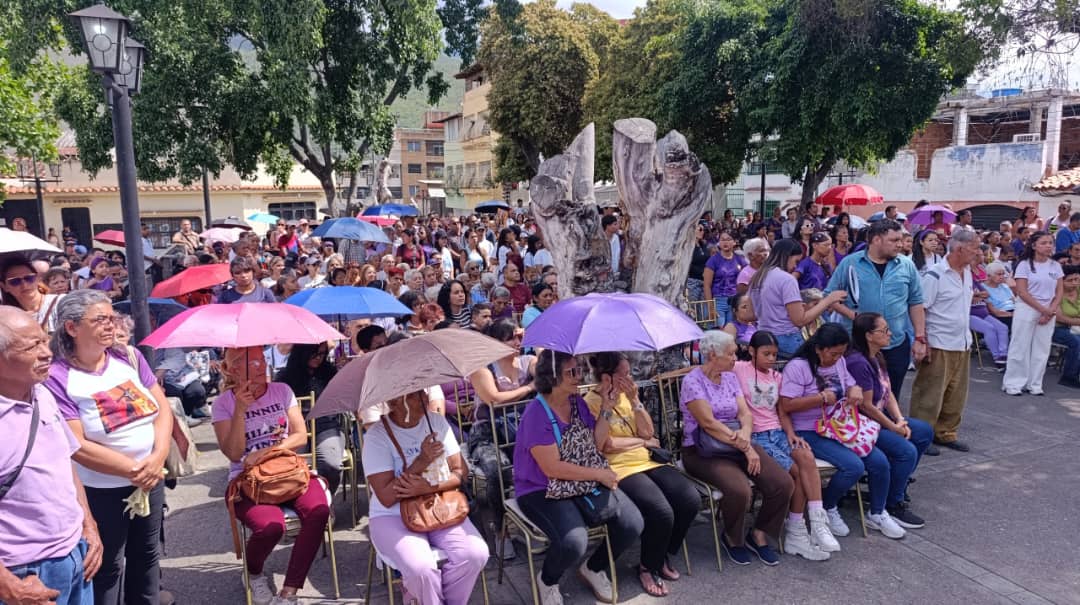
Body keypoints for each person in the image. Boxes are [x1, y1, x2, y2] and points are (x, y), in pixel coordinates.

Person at [43, 290, 174, 604]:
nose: (110, 325)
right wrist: (135, 470)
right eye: (99, 319)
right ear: (72, 328)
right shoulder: (58, 376)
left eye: (111, 318)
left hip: (150, 480)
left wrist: (156, 460)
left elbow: (163, 410)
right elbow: (77, 445)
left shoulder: (128, 357)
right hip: (103, 490)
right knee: (106, 565)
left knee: (147, 556)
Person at [513, 350, 643, 604]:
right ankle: (548, 580)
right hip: (540, 487)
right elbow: (552, 468)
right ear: (552, 377)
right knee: (573, 541)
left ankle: (594, 568)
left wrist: (607, 408)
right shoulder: (535, 414)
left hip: (579, 477)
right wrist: (600, 474)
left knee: (632, 523)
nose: (579, 376)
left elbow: (595, 443)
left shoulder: (577, 403)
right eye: (571, 372)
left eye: (579, 370)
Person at [0, 307, 103, 605]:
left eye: (45, 341)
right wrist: (7, 584)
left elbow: (64, 463)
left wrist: (88, 525)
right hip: (23, 573)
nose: (47, 353)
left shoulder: (42, 393)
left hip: (75, 554)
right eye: (32, 346)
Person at [211, 346, 329, 605]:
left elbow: (300, 435)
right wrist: (240, 410)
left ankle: (289, 592)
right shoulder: (223, 404)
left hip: (287, 469)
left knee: (319, 509)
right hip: (248, 479)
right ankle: (253, 574)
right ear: (232, 369)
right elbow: (233, 453)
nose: (262, 366)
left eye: (262, 360)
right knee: (270, 527)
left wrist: (267, 452)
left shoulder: (281, 391)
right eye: (252, 363)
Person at [780, 324, 915, 539]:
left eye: (841, 354)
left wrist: (855, 389)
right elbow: (786, 405)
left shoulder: (840, 362)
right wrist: (820, 398)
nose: (837, 358)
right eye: (833, 354)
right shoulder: (798, 367)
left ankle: (877, 513)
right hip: (809, 429)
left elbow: (851, 384)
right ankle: (828, 506)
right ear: (818, 349)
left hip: (840, 424)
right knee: (853, 466)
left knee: (880, 462)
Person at [362, 384, 489, 605]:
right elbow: (386, 496)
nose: (424, 398)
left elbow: (461, 473)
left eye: (423, 391)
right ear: (393, 402)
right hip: (391, 515)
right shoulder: (377, 437)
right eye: (413, 395)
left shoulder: (436, 422)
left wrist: (427, 487)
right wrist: (421, 461)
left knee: (475, 554)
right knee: (421, 568)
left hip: (440, 506)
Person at [584, 352, 700, 595]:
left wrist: (635, 401)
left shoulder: (628, 396)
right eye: (624, 374)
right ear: (607, 377)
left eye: (629, 373)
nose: (630, 378)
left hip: (646, 460)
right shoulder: (590, 402)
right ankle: (648, 567)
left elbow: (647, 432)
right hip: (619, 466)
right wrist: (640, 441)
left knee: (689, 499)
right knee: (660, 510)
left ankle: (663, 554)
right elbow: (604, 445)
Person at [679, 330, 793, 566]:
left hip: (736, 443)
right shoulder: (693, 380)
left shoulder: (730, 377)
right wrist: (746, 447)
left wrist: (745, 436)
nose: (735, 357)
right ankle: (733, 537)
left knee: (782, 483)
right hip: (703, 450)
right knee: (740, 490)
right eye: (730, 354)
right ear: (712, 355)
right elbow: (708, 424)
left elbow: (745, 413)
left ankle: (759, 533)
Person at [734, 331, 837, 560]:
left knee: (806, 456)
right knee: (797, 474)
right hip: (756, 436)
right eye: (766, 354)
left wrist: (791, 434)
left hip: (778, 432)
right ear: (751, 351)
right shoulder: (739, 369)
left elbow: (781, 409)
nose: (771, 359)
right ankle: (796, 530)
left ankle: (817, 520)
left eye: (774, 354)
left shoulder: (777, 377)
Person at [827, 219, 928, 399]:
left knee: (891, 396)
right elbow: (830, 297)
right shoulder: (850, 263)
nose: (899, 244)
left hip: (895, 343)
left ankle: (889, 426)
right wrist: (853, 316)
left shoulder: (906, 265)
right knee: (858, 398)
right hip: (858, 345)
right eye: (894, 240)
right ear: (876, 240)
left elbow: (916, 302)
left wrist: (920, 337)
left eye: (900, 239)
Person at [846, 314, 933, 522]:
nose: (890, 334)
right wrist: (894, 428)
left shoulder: (876, 355)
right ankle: (892, 503)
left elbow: (888, 391)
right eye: (884, 330)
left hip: (880, 418)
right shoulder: (858, 362)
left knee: (923, 431)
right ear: (868, 335)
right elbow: (866, 407)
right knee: (906, 450)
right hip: (862, 424)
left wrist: (899, 419)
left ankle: (897, 485)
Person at [908, 229, 979, 453]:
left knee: (956, 393)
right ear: (960, 249)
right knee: (929, 393)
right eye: (975, 248)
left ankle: (945, 432)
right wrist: (922, 340)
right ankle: (921, 434)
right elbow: (920, 308)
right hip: (939, 342)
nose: (978, 252)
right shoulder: (935, 275)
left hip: (961, 342)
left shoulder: (967, 272)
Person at [749, 239, 846, 357]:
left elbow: (752, 314)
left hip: (763, 336)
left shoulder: (758, 277)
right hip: (787, 338)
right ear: (787, 256)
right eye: (796, 261)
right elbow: (800, 320)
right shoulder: (786, 279)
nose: (795, 266)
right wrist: (828, 300)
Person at [276, 343, 346, 493]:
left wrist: (343, 372)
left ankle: (326, 498)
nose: (318, 358)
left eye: (322, 354)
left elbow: (343, 397)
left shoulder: (330, 372)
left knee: (330, 465)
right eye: (314, 354)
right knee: (292, 466)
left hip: (326, 425)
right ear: (302, 352)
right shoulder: (284, 378)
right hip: (294, 428)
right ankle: (305, 499)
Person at [1002, 231, 1063, 396]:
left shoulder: (1055, 266)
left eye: (1050, 242)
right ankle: (1013, 383)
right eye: (1044, 243)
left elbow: (1059, 291)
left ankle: (1034, 383)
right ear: (1034, 245)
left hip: (1048, 310)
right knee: (1020, 346)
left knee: (1042, 349)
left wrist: (1050, 310)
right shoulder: (1024, 265)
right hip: (1027, 309)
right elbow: (1022, 292)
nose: (1048, 246)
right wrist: (1043, 310)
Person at [1, 257, 64, 334]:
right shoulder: (6, 320)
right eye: (15, 281)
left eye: (29, 278)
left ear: (37, 279)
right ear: (4, 287)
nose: (24, 285)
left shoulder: (61, 303)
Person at [703, 230, 747, 326]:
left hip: (735, 301)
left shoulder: (740, 259)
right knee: (718, 335)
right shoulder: (713, 260)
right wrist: (710, 308)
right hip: (718, 301)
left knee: (732, 333)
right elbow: (706, 285)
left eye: (728, 239)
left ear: (734, 242)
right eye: (722, 240)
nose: (725, 242)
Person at [686, 224, 710, 301]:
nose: (702, 232)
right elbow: (687, 264)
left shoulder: (703, 245)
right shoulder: (687, 246)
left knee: (703, 309)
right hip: (693, 281)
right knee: (693, 308)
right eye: (700, 229)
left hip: (704, 281)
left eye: (703, 230)